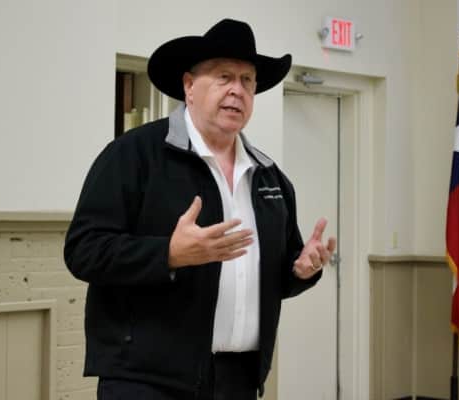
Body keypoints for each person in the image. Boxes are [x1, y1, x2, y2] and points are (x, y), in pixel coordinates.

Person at [64, 18, 337, 400]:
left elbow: (274, 275)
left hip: (239, 380)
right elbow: (83, 251)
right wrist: (169, 254)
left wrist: (301, 270)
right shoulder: (133, 155)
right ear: (189, 86)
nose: (237, 90)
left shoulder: (269, 177)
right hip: (145, 381)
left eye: (247, 80)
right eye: (224, 77)